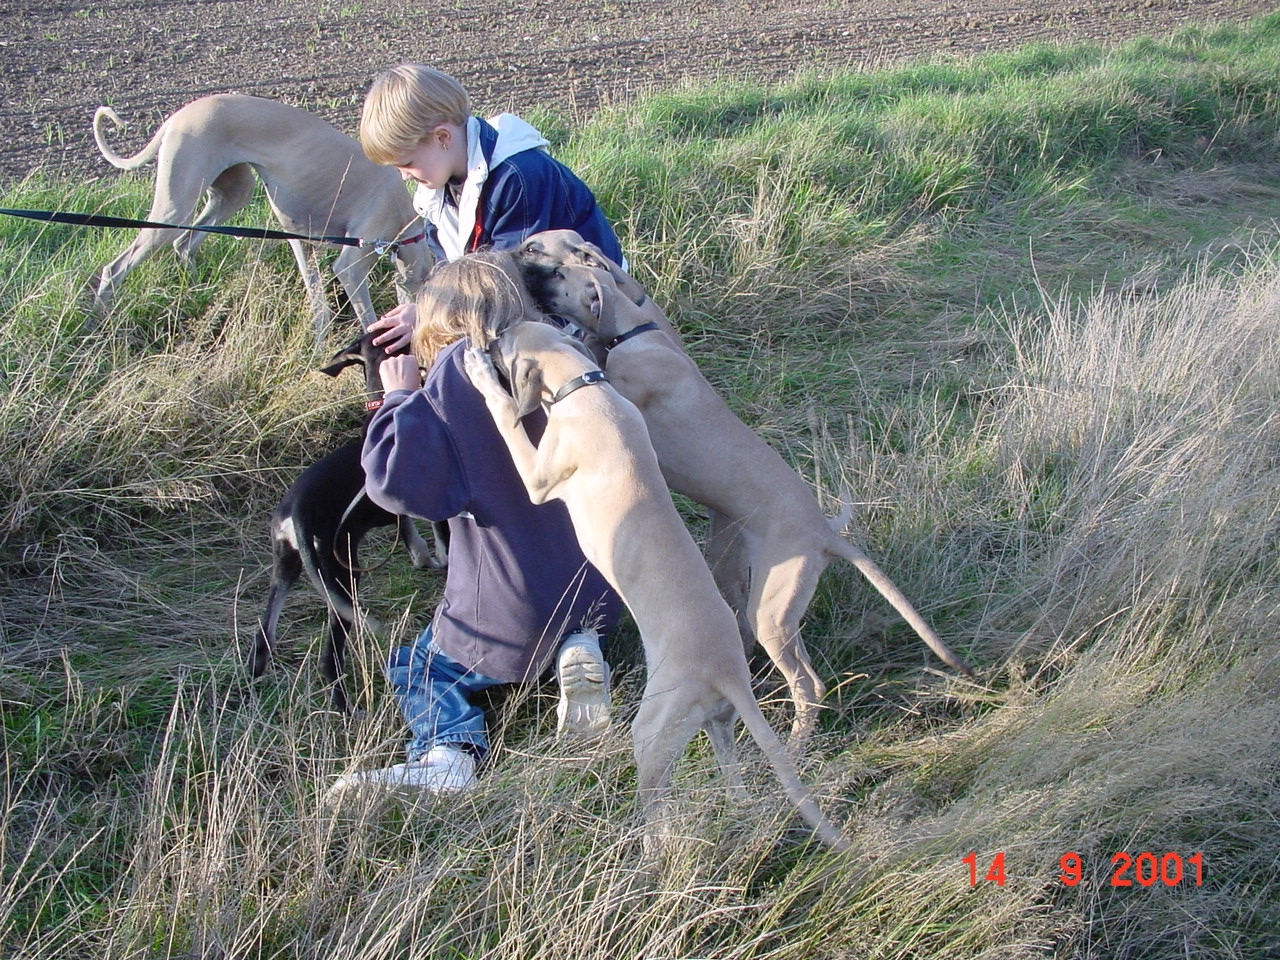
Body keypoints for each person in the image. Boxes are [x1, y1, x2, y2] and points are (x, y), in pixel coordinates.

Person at [328, 251, 623, 797]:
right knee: (570, 583)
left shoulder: (453, 388)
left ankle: (449, 752)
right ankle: (578, 645)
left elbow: (393, 485)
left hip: (512, 615)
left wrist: (398, 396)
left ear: (436, 322)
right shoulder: (565, 348)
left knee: (416, 666)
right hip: (604, 587)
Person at [358, 63, 626, 352]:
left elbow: (512, 281)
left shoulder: (519, 176)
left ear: (442, 138)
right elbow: (449, 270)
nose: (404, 176)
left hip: (587, 308)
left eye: (407, 163)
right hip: (521, 304)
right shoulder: (437, 189)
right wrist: (426, 309)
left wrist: (428, 317)